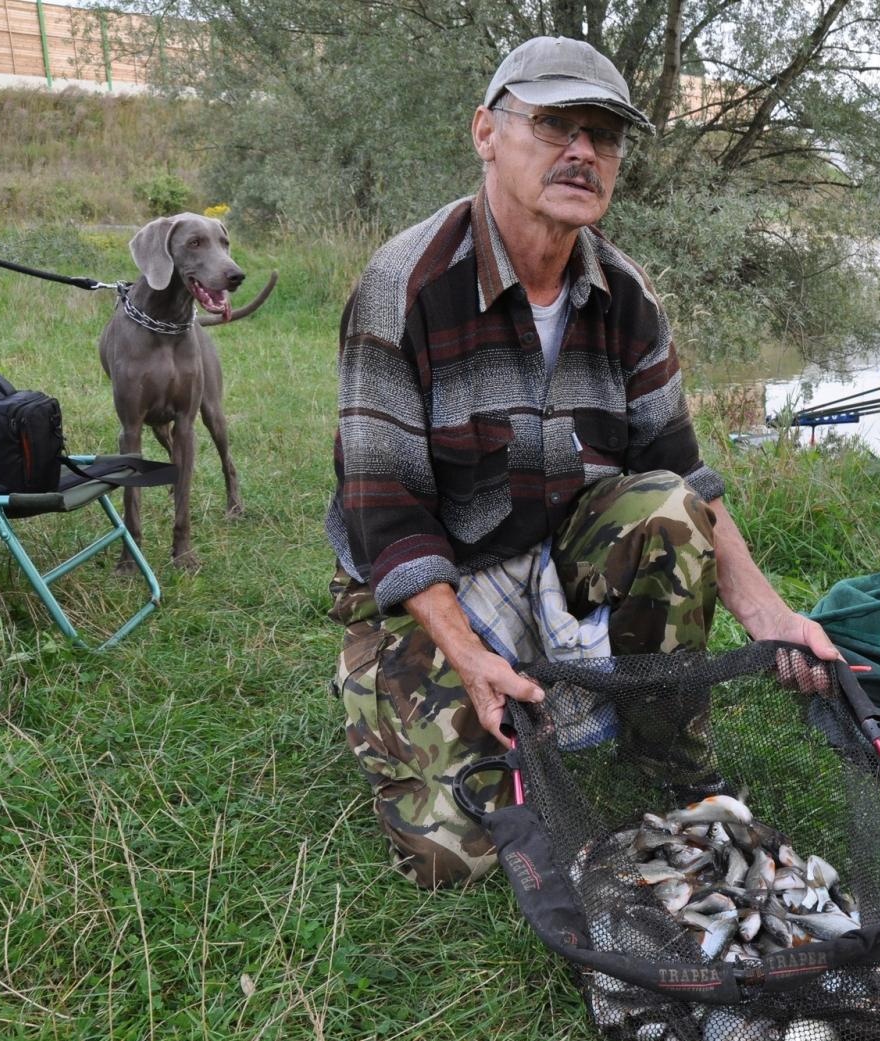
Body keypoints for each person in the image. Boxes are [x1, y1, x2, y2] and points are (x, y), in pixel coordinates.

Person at [325, 36, 840, 889]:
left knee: (667, 507)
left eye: (604, 136)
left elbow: (685, 481)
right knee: (459, 854)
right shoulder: (402, 285)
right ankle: (415, 687)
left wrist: (772, 615)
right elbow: (387, 510)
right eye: (555, 124)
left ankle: (669, 758)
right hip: (436, 576)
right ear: (487, 131)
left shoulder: (629, 296)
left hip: (558, 547)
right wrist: (466, 653)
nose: (582, 152)